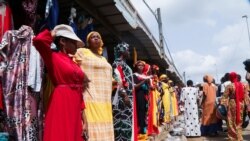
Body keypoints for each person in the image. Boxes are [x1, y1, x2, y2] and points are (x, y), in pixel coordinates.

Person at [33, 24, 88, 141]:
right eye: (73, 42)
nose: (76, 47)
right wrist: (54, 32)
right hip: (61, 102)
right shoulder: (53, 57)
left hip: (76, 105)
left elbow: (80, 92)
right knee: (60, 135)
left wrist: (85, 119)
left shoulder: (73, 63)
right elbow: (38, 41)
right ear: (63, 41)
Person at [74, 31, 114, 141]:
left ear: (101, 41)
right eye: (93, 37)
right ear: (88, 42)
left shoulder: (104, 59)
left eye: (98, 37)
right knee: (91, 124)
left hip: (105, 99)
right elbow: (72, 64)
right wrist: (82, 75)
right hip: (90, 94)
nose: (96, 38)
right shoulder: (82, 52)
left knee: (105, 124)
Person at [112, 42, 137, 141]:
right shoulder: (117, 63)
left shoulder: (124, 64)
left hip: (127, 98)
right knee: (122, 123)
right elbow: (118, 80)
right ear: (122, 51)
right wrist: (125, 95)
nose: (129, 52)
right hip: (121, 99)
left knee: (127, 123)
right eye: (128, 50)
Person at [221, 72, 250, 141]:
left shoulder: (230, 86)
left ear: (231, 78)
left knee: (231, 121)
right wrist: (247, 106)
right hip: (241, 104)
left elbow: (224, 97)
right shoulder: (244, 85)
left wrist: (223, 105)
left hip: (232, 104)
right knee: (239, 120)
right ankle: (239, 137)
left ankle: (233, 137)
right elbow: (246, 97)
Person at [133, 60, 150, 139]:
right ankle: (139, 129)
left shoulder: (145, 75)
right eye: (139, 65)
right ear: (136, 66)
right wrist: (144, 81)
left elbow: (149, 87)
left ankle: (144, 128)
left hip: (145, 95)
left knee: (144, 111)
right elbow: (135, 87)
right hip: (138, 94)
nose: (140, 66)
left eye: (142, 65)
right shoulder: (135, 75)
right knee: (140, 111)